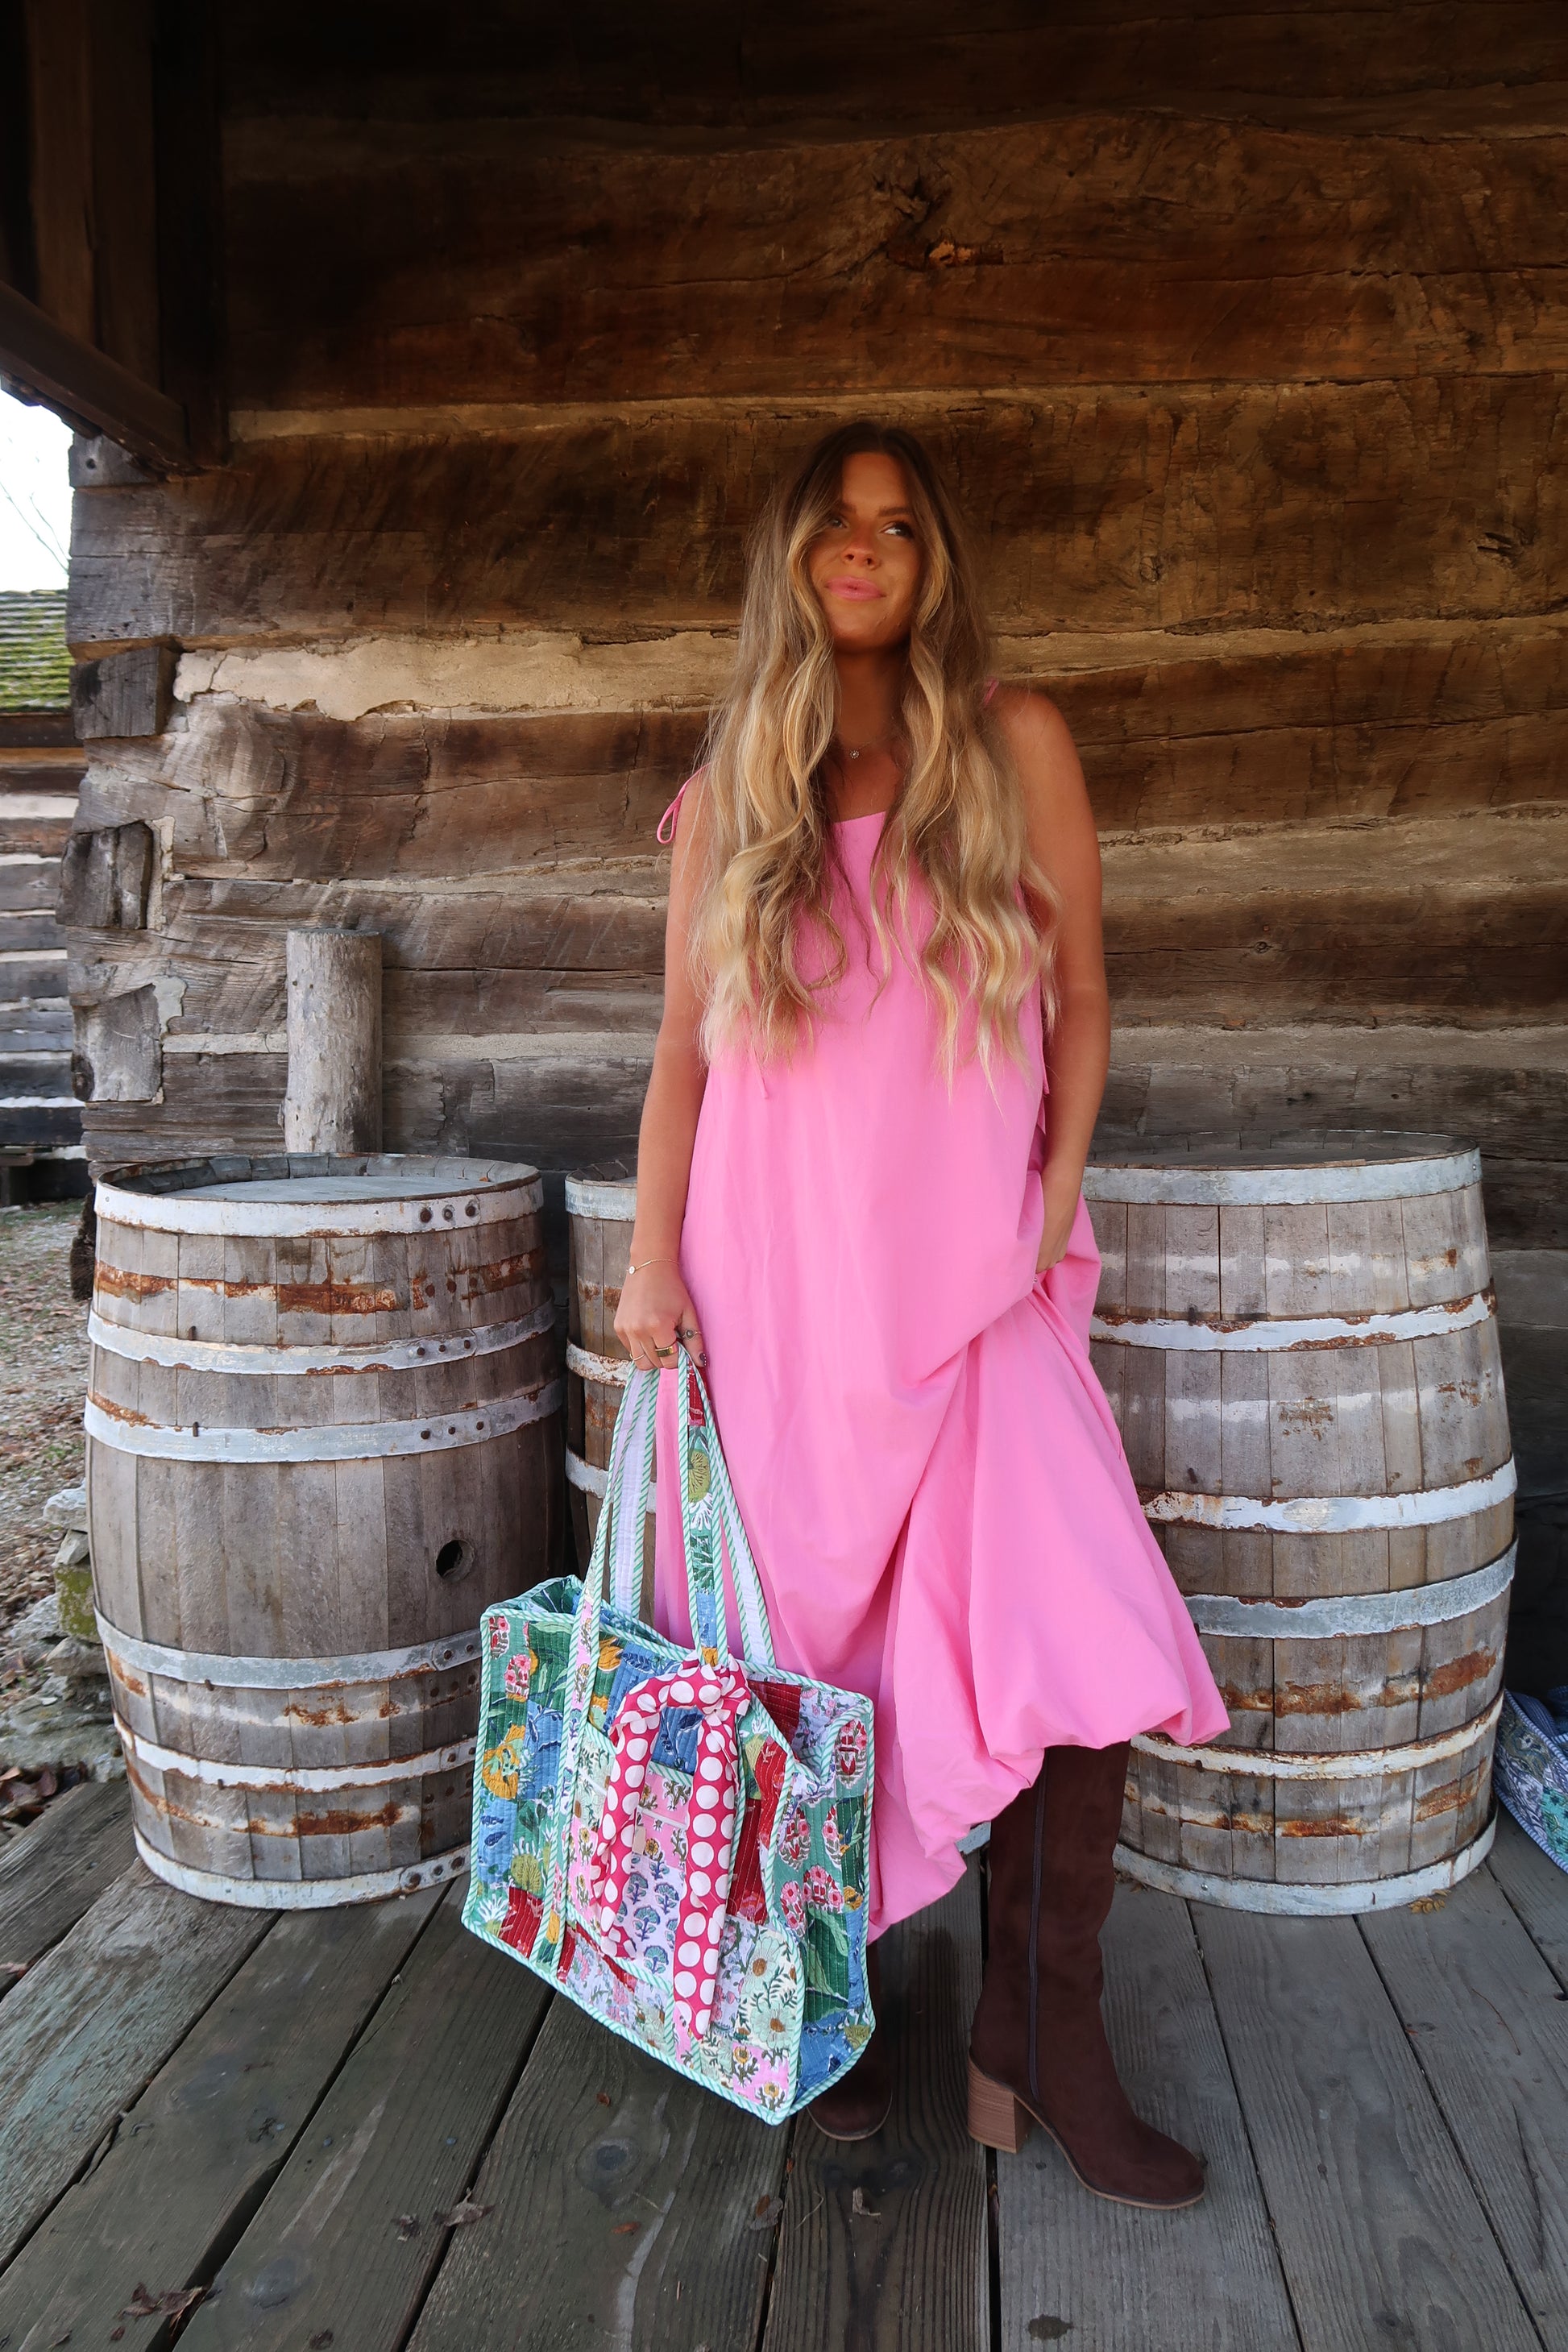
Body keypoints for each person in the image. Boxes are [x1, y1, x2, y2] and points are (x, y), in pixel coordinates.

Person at [614, 420, 1229, 2206]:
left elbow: (1084, 994)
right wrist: (649, 1258)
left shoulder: (1013, 740)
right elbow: (681, 1051)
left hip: (977, 1290)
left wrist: (1049, 1201)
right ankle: (833, 2010)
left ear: (930, 556)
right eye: (835, 521)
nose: (865, 546)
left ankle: (1043, 2038)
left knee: (1078, 1639)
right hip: (778, 1288)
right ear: (792, 557)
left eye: (896, 523)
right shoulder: (735, 781)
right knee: (795, 1658)